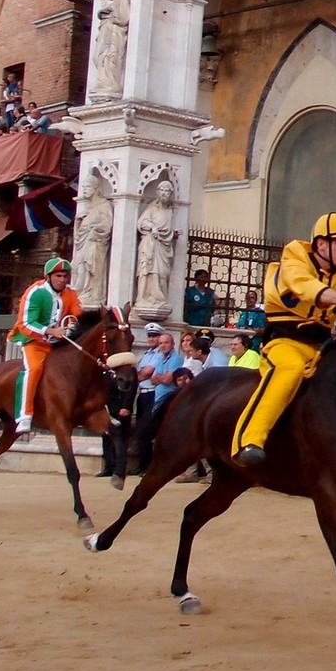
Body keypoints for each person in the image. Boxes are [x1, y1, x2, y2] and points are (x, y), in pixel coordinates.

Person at [231, 212, 336, 466]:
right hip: (284, 341)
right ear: (321, 244)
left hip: (321, 347)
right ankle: (248, 441)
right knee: (289, 370)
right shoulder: (294, 256)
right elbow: (305, 286)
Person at [7, 258, 81, 433]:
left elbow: (77, 313)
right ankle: (25, 415)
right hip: (34, 341)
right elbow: (25, 323)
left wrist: (71, 325)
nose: (63, 279)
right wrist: (50, 331)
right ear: (48, 276)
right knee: (34, 369)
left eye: (65, 276)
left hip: (59, 343)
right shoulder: (35, 292)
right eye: (58, 275)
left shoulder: (71, 293)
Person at [133, 327, 182, 472]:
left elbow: (166, 380)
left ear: (172, 344)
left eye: (166, 343)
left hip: (167, 400)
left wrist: (158, 378)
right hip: (156, 398)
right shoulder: (160, 357)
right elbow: (154, 379)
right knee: (146, 432)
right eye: (161, 343)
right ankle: (144, 466)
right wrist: (158, 378)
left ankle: (156, 467)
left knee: (156, 433)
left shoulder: (176, 359)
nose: (162, 345)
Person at [72, 173, 113, 307]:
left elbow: (107, 226)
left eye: (87, 187)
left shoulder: (104, 205)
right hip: (84, 244)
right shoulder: (87, 207)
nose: (84, 190)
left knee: (89, 270)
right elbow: (77, 237)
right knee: (76, 268)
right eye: (83, 187)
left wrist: (93, 229)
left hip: (95, 245)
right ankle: (80, 296)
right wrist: (78, 222)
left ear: (96, 189)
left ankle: (91, 297)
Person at [135, 180, 176, 308]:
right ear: (157, 192)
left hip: (163, 247)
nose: (164, 193)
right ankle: (144, 298)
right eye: (162, 190)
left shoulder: (169, 212)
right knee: (147, 270)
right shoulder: (152, 208)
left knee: (162, 273)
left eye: (167, 191)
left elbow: (168, 231)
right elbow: (141, 223)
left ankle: (158, 299)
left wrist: (172, 234)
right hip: (149, 244)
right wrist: (152, 227)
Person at [92, 0, 130, 97]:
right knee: (98, 56)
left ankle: (112, 84)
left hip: (115, 31)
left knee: (111, 56)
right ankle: (102, 84)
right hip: (105, 30)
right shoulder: (104, 1)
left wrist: (114, 18)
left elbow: (124, 18)